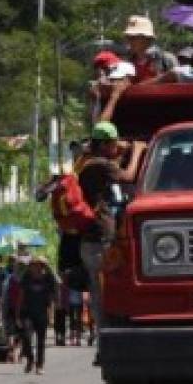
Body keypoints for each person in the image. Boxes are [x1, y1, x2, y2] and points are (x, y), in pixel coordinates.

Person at [78, 120, 128, 342]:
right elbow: (128, 176)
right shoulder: (100, 164)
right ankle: (106, 339)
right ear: (105, 144)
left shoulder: (86, 161)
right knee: (103, 291)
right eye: (114, 144)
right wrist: (136, 151)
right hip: (99, 238)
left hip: (90, 239)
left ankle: (103, 336)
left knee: (99, 290)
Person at [16, 257, 58, 375]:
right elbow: (21, 295)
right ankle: (30, 359)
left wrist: (51, 315)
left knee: (41, 341)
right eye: (33, 265)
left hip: (42, 312)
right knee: (26, 336)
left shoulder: (48, 278)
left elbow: (52, 296)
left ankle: (40, 365)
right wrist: (17, 313)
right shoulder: (26, 277)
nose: (35, 267)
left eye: (38, 265)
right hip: (27, 312)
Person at [122, 15, 177, 82]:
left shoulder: (166, 59)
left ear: (147, 38)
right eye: (128, 37)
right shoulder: (128, 61)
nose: (129, 41)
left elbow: (178, 83)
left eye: (134, 37)